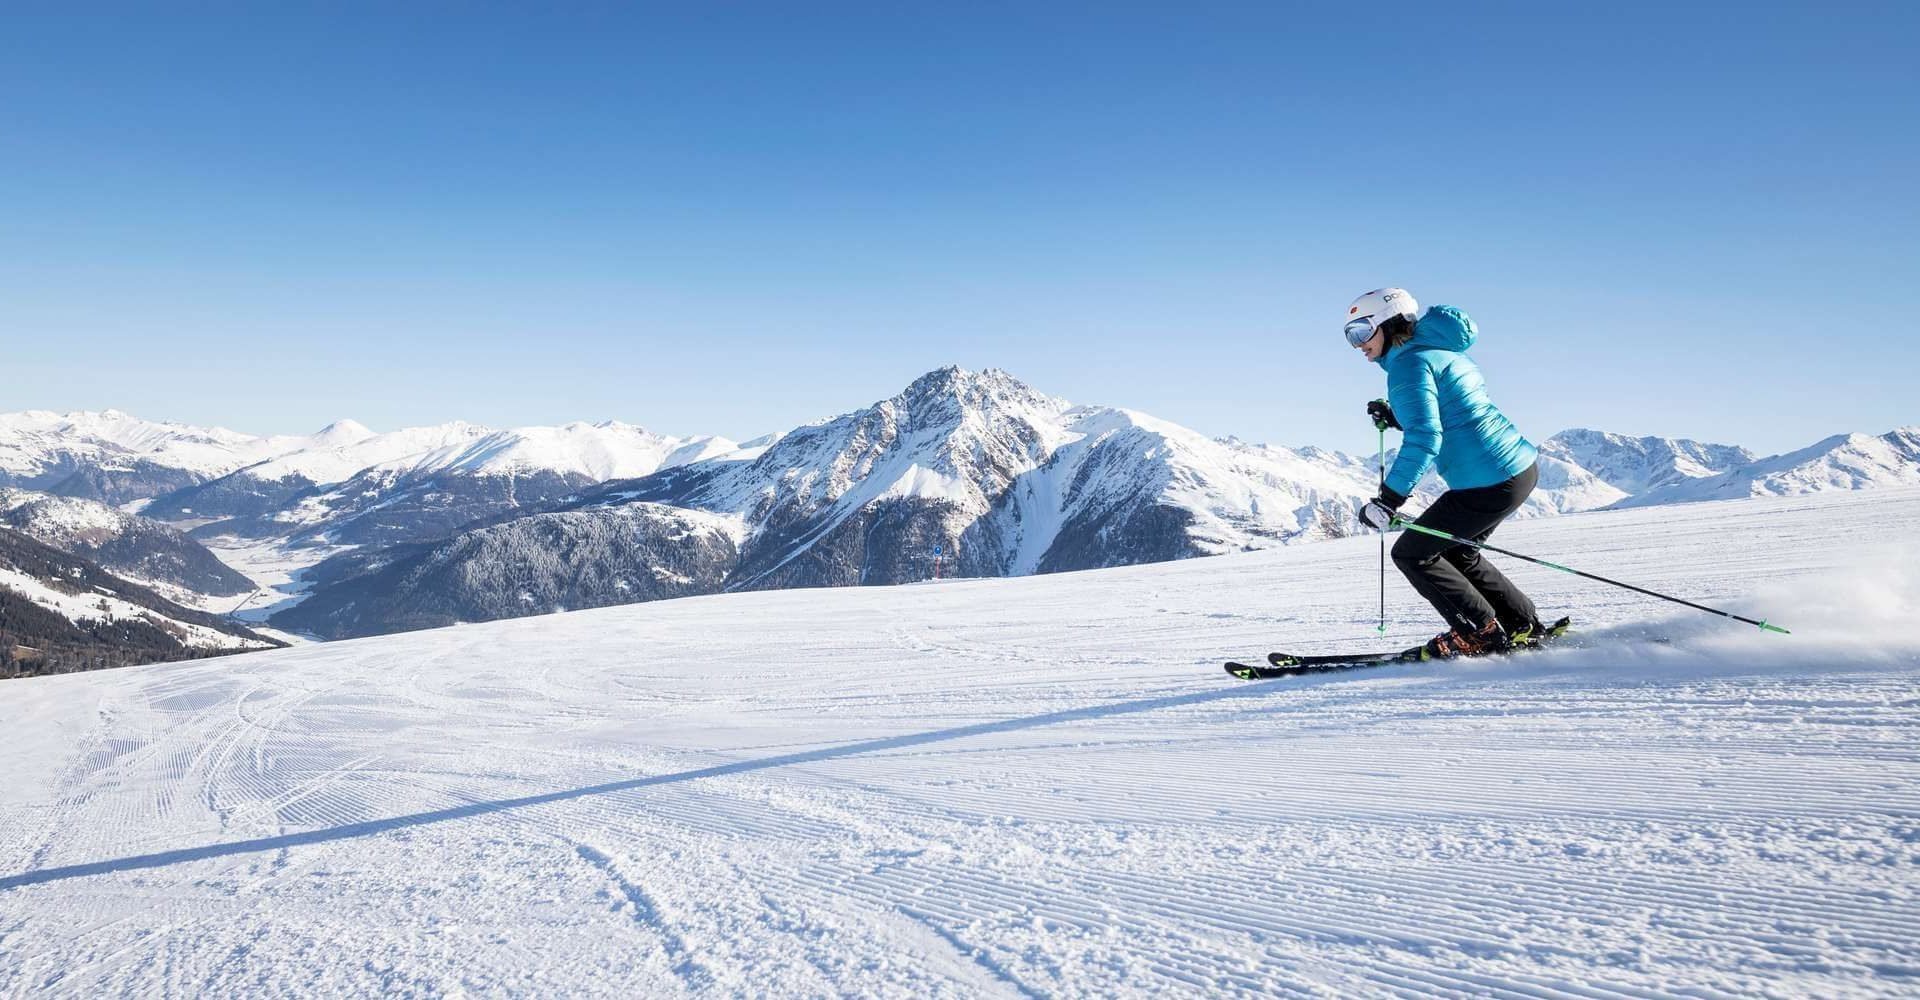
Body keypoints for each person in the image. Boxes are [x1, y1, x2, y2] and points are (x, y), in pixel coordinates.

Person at [1344, 287, 1548, 659]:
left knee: (1412, 554)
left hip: (1486, 480)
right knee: (1457, 551)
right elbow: (1453, 413)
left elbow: (1425, 437)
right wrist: (1397, 416)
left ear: (1389, 324)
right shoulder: (1438, 351)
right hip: (1515, 469)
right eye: (1350, 335)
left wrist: (1388, 501)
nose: (1357, 344)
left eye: (1361, 331)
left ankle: (1479, 633)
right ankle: (1521, 624)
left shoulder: (1408, 365)